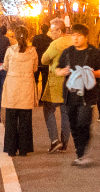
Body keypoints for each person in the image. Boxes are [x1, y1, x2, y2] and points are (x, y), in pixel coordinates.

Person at [56, 23, 100, 166]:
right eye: (73, 35)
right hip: (70, 94)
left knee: (83, 123)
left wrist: (93, 73)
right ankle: (80, 153)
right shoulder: (67, 52)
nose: (75, 38)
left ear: (86, 37)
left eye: (78, 35)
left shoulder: (94, 53)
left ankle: (83, 153)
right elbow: (57, 69)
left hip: (87, 95)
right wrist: (61, 72)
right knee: (73, 124)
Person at [38, 18, 73, 153]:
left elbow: (44, 59)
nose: (50, 33)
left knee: (48, 109)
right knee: (66, 113)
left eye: (52, 31)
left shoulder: (55, 44)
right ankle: (64, 144)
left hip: (56, 83)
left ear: (59, 30)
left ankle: (54, 140)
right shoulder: (73, 42)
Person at [1, 25, 37, 155]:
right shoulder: (32, 51)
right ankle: (24, 148)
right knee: (25, 119)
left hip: (12, 86)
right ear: (27, 36)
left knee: (11, 119)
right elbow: (35, 68)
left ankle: (11, 148)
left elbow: (5, 66)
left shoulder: (10, 50)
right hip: (26, 86)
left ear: (15, 36)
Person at [31, 24, 52, 94]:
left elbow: (33, 49)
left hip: (37, 62)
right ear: (47, 30)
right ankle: (42, 97)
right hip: (45, 63)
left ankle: (35, 95)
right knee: (44, 82)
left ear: (41, 29)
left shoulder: (35, 38)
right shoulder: (49, 40)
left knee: (35, 81)